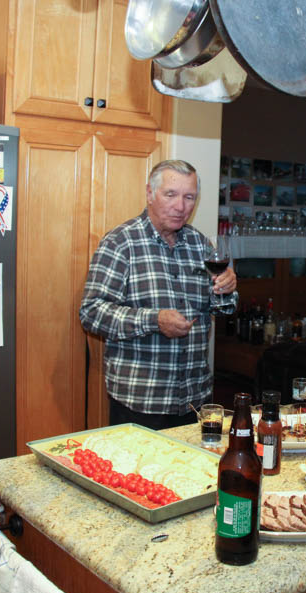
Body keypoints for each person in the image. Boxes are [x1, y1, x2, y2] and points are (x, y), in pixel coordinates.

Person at [80, 160, 238, 429]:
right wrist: (154, 321)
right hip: (141, 400)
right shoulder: (121, 243)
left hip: (194, 398)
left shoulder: (200, 245)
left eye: (189, 197)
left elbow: (222, 309)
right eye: (171, 195)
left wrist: (227, 289)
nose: (181, 206)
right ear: (150, 194)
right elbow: (92, 313)